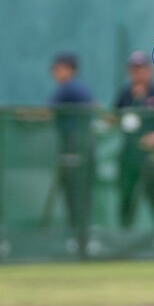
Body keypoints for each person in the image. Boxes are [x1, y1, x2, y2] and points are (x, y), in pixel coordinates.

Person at [112, 50, 154, 233]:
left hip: (151, 155)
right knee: (127, 195)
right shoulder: (125, 93)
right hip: (129, 153)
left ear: (148, 70)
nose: (137, 73)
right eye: (134, 69)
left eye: (141, 69)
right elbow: (114, 116)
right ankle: (124, 235)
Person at [47, 52, 95, 249]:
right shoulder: (78, 88)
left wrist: (25, 115)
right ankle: (81, 238)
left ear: (69, 69)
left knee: (75, 195)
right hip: (83, 149)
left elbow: (47, 113)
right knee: (80, 195)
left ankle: (79, 239)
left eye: (59, 68)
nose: (55, 73)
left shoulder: (69, 87)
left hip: (76, 148)